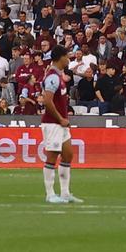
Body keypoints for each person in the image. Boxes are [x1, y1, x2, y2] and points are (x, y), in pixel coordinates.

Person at [39, 46, 80, 204]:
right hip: (52, 123)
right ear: (60, 58)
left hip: (61, 123)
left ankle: (65, 193)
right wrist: (60, 118)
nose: (68, 59)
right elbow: (47, 100)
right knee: (52, 157)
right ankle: (50, 194)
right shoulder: (53, 77)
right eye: (67, 57)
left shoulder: (58, 76)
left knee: (68, 154)